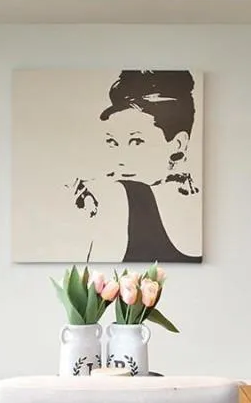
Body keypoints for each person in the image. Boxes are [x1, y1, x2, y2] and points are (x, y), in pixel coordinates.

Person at [70, 70, 202, 263]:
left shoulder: (117, 196)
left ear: (177, 144)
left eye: (137, 142)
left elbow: (91, 279)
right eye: (113, 142)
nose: (120, 159)